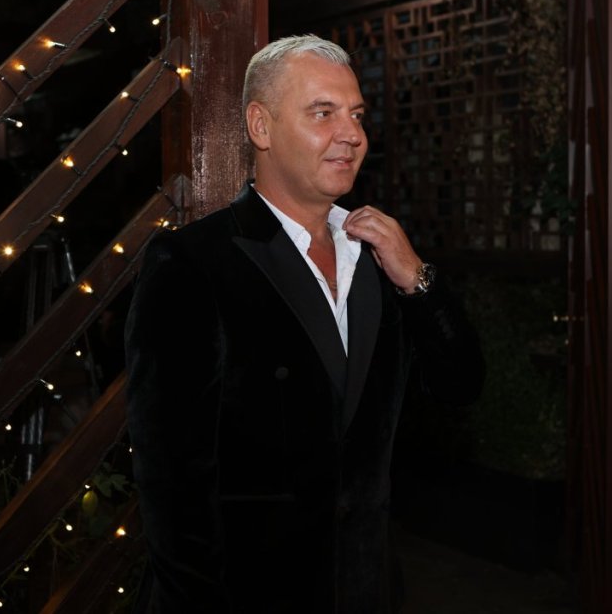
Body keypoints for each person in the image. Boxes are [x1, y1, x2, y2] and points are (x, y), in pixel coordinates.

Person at [125, 35, 485, 614]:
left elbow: (460, 385)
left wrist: (417, 278)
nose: (352, 134)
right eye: (323, 113)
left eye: (357, 115)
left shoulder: (380, 255)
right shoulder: (193, 263)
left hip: (365, 590)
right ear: (261, 127)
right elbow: (171, 484)